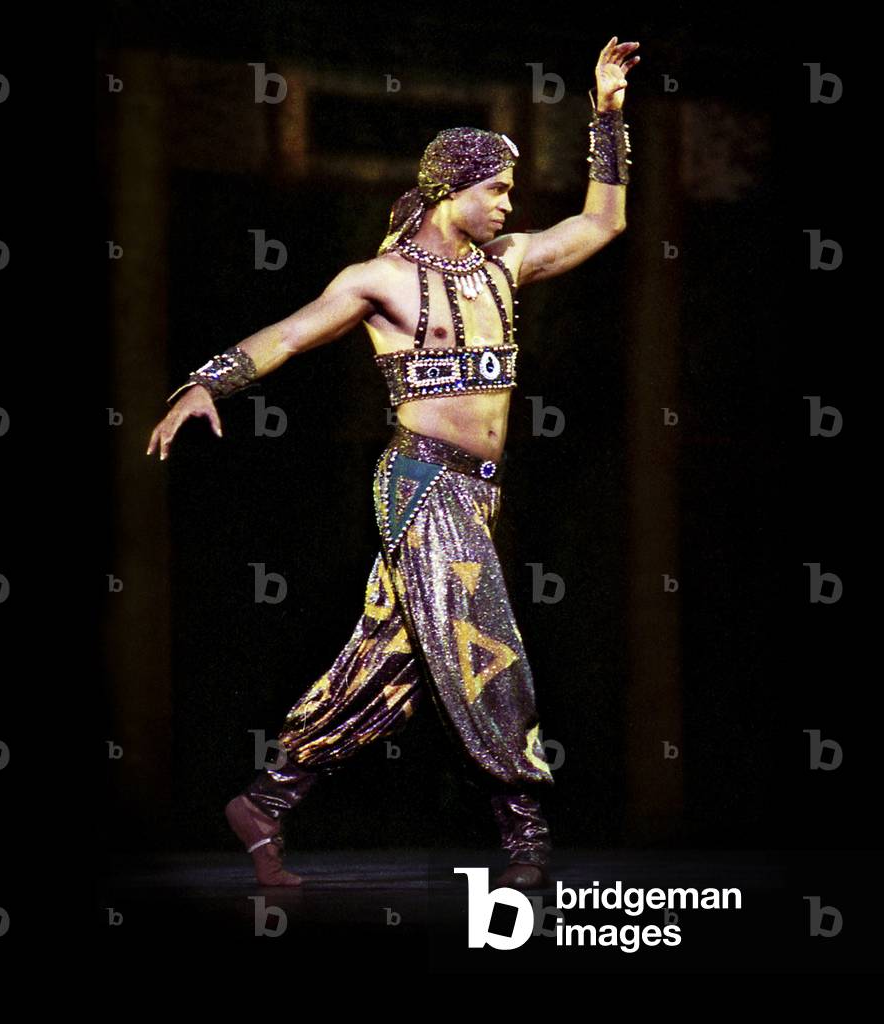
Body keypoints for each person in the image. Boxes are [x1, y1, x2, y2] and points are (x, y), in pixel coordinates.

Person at [146, 37, 638, 891]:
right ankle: (524, 832)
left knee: (392, 664)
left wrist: (604, 115)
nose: (507, 205)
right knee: (487, 644)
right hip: (420, 482)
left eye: (510, 193)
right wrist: (207, 381)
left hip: (479, 496)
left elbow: (604, 222)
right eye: (497, 191)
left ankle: (267, 800)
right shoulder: (379, 280)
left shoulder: (505, 268)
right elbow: (292, 332)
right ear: (450, 190)